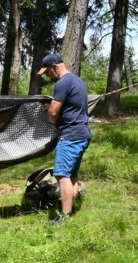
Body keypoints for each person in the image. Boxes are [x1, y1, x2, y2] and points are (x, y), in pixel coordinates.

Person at [37, 53, 91, 224]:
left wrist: (52, 118)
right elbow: (70, 107)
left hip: (70, 136)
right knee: (71, 175)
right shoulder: (77, 81)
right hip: (82, 134)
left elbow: (54, 112)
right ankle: (71, 212)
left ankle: (64, 217)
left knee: (61, 175)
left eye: (47, 72)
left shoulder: (62, 83)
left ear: (55, 67)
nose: (47, 75)